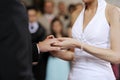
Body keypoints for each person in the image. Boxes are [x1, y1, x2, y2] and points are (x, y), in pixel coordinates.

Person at [52, 0, 120, 80]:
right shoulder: (75, 14)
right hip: (74, 75)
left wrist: (78, 44)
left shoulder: (112, 11)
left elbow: (116, 57)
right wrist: (56, 51)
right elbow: (76, 55)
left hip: (100, 76)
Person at [0, 0, 60, 80]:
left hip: (38, 64)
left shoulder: (42, 29)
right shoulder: (11, 7)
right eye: (29, 15)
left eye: (34, 15)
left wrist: (38, 47)